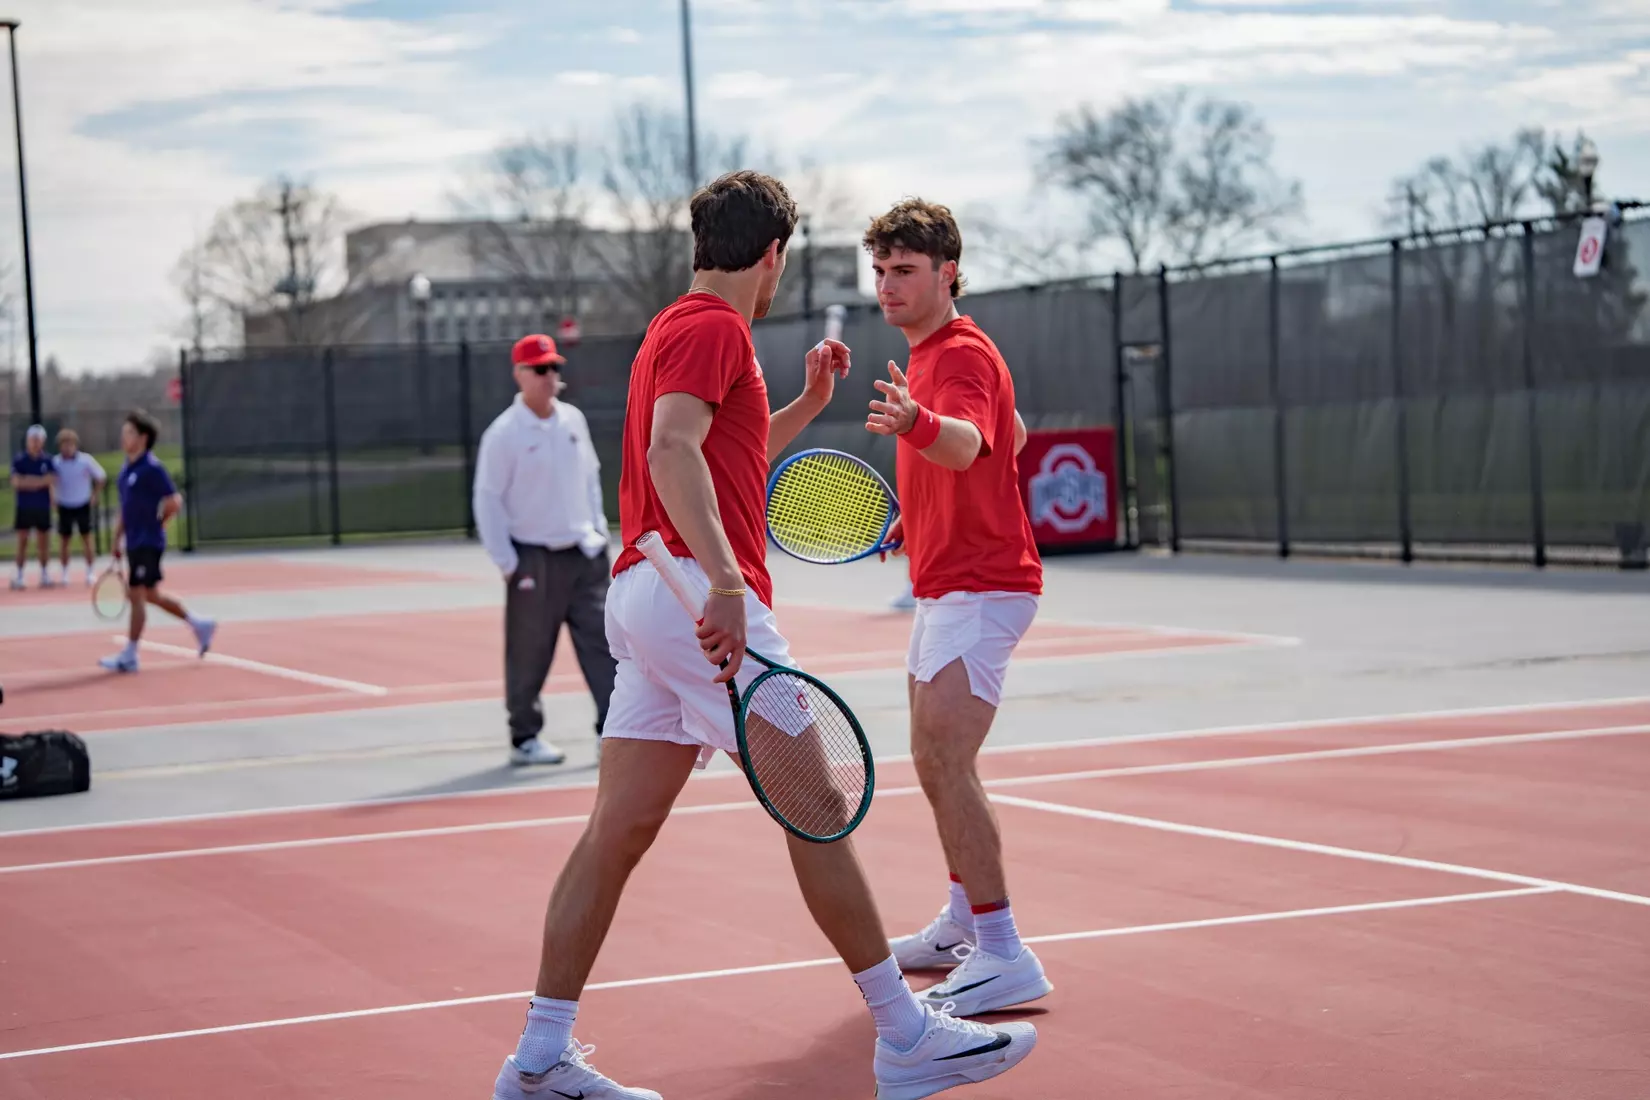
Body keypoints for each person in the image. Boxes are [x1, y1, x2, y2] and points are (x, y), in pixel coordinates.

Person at [491, 172, 1036, 1100]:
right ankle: (904, 1036)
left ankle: (539, 1057)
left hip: (645, 596)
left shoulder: (675, 324)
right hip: (695, 600)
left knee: (614, 832)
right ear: (774, 253)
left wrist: (803, 411)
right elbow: (671, 449)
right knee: (816, 804)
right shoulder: (715, 329)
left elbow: (713, 450)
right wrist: (728, 581)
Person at [861, 198, 1049, 1019]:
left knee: (944, 761)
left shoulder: (960, 354)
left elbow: (969, 442)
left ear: (948, 274)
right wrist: (924, 506)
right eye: (880, 271)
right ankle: (966, 921)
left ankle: (1004, 951)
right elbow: (1006, 445)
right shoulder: (933, 355)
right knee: (933, 760)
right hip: (947, 581)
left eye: (904, 271)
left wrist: (920, 424)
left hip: (981, 585)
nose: (887, 286)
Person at [473, 333, 617, 767]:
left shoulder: (573, 420)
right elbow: (487, 498)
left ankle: (610, 733)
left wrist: (597, 534)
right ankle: (525, 737)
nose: (550, 376)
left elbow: (590, 479)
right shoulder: (504, 434)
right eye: (540, 369)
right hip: (533, 556)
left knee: (607, 646)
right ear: (519, 374)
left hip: (584, 555)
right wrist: (506, 561)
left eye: (554, 367)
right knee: (529, 649)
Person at [99, 410, 216, 673]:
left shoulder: (151, 468)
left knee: (136, 595)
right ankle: (199, 623)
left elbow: (175, 501)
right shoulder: (125, 471)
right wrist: (117, 539)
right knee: (150, 594)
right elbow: (125, 509)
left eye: (128, 432)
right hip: (134, 542)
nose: (123, 437)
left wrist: (159, 523)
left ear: (142, 438)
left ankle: (129, 655)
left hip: (148, 542)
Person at [52, 428, 107, 587]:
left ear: (76, 445)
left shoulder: (85, 460)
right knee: (64, 540)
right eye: (64, 445)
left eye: (70, 444)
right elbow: (50, 480)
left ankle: (90, 571)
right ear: (60, 446)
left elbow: (101, 477)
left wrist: (94, 494)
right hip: (64, 504)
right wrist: (53, 496)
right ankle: (64, 572)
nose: (67, 448)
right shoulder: (55, 462)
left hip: (82, 503)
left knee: (87, 538)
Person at [10, 423, 54, 590]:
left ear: (43, 441)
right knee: (22, 541)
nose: (35, 443)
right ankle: (20, 575)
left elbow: (51, 480)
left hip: (42, 507)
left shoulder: (48, 460)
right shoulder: (20, 460)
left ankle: (44, 574)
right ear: (27, 441)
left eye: (38, 439)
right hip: (24, 507)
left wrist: (28, 481)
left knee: (43, 542)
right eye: (32, 439)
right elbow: (16, 482)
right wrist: (38, 482)